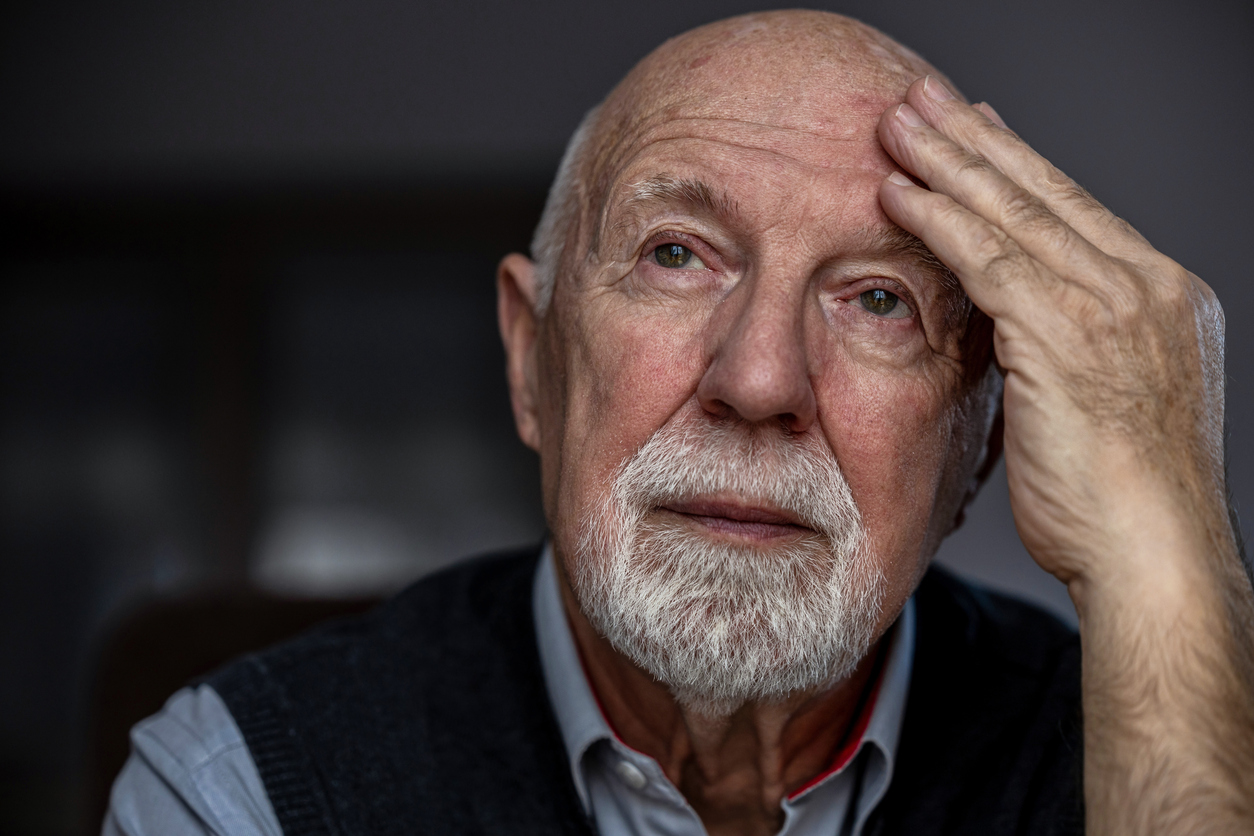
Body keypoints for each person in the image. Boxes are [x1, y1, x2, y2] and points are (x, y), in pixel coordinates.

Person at [104, 10, 1254, 836]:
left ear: (979, 443)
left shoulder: (1193, 750)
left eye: (877, 299)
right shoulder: (238, 786)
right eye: (675, 253)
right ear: (530, 359)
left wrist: (1166, 562)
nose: (760, 378)